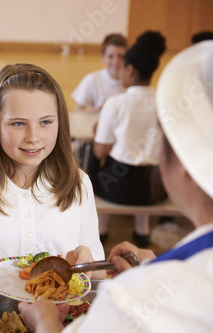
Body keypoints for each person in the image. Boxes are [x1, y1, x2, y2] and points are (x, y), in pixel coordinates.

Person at [18, 40, 213, 333]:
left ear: (185, 162)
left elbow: (98, 152)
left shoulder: (128, 300)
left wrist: (44, 321)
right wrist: (152, 271)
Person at [0, 63, 105, 311]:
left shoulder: (78, 184)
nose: (33, 136)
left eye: (46, 122)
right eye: (18, 124)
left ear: (60, 123)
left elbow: (97, 276)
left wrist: (85, 263)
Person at [87, 31, 167, 247]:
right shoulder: (163, 101)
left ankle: (101, 230)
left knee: (98, 163)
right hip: (154, 189)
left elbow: (100, 152)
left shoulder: (116, 103)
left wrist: (100, 134)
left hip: (118, 187)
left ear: (130, 69)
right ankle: (142, 232)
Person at [71, 33, 127, 113]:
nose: (116, 61)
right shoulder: (92, 79)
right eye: (111, 56)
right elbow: (77, 110)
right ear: (102, 57)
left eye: (120, 56)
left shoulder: (132, 81)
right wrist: (94, 111)